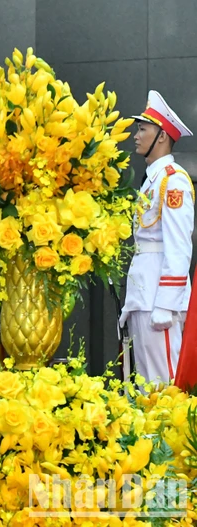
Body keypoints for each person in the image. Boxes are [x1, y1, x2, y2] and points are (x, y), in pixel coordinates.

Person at [120, 90, 194, 385]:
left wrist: (167, 302)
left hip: (159, 297)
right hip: (144, 293)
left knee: (165, 382)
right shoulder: (152, 180)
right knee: (145, 384)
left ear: (162, 136)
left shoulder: (172, 180)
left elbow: (179, 245)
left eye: (143, 129)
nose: (136, 136)